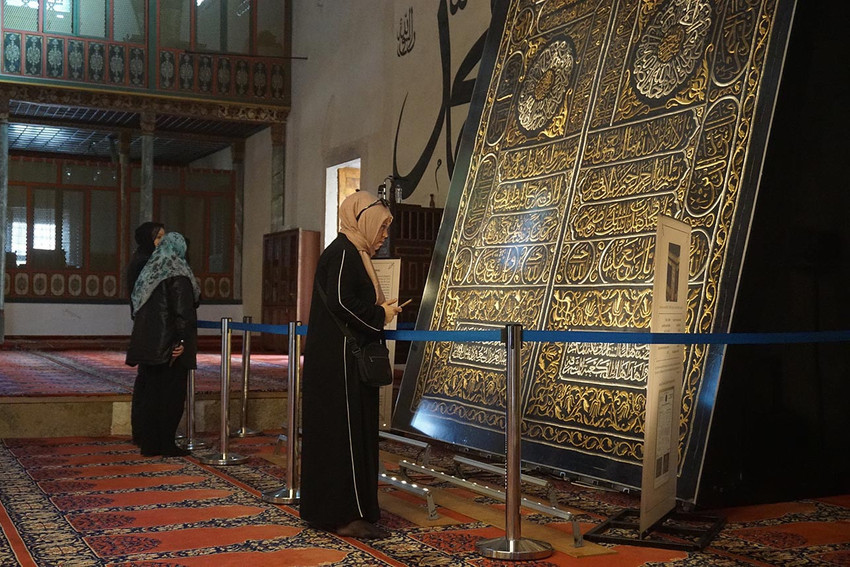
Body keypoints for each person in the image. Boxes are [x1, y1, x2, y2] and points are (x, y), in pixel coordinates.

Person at [299, 191, 402, 539]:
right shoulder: (344, 251)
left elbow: (346, 299)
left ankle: (345, 509)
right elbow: (343, 301)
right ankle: (342, 514)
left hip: (342, 361)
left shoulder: (352, 252)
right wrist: (380, 314)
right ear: (364, 219)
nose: (384, 235)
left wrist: (378, 311)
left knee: (349, 434)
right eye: (382, 227)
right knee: (343, 436)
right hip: (339, 364)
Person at [125, 232, 200, 457]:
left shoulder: (150, 272)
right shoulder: (178, 275)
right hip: (170, 348)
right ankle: (165, 443)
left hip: (149, 346)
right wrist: (182, 342)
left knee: (151, 395)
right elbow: (183, 313)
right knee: (170, 397)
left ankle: (149, 443)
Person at [125, 221, 166, 445]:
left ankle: (144, 432)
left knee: (147, 381)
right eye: (158, 238)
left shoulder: (142, 259)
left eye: (163, 237)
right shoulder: (144, 262)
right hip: (150, 326)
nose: (161, 242)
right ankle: (146, 433)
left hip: (148, 325)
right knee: (149, 382)